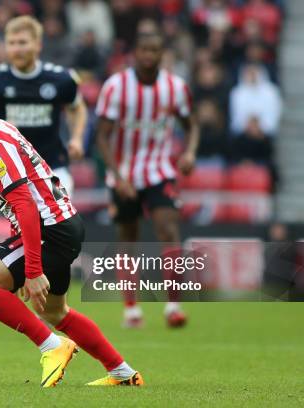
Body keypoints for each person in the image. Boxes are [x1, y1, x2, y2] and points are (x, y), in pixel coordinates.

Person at [0, 70, 143, 387]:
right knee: (56, 313)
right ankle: (124, 373)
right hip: (63, 225)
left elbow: (26, 205)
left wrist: (31, 270)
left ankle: (53, 347)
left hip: (49, 230)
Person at [95, 32, 200, 328]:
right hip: (124, 174)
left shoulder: (175, 87)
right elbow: (101, 136)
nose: (149, 55)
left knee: (168, 228)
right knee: (128, 237)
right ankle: (131, 309)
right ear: (135, 52)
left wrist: (190, 152)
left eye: (154, 49)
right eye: (144, 49)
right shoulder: (116, 87)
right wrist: (117, 176)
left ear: (161, 52)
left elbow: (191, 124)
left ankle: (174, 307)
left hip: (159, 171)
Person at [0, 16, 87, 196]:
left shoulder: (61, 79)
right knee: (26, 222)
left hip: (53, 165)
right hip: (9, 170)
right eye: (11, 43)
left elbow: (77, 107)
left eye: (22, 42)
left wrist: (77, 138)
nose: (16, 49)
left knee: (58, 218)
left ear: (38, 45)